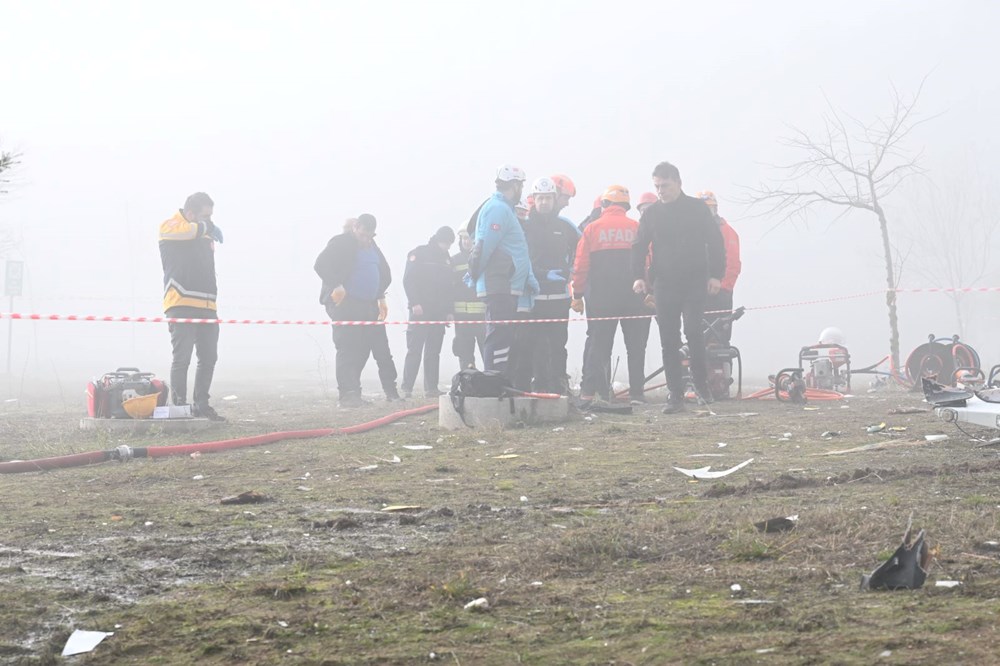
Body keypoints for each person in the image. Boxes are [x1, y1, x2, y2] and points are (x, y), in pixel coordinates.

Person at [632, 162, 725, 414]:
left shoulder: (697, 210)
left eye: (665, 185)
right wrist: (638, 276)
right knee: (668, 340)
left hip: (695, 281)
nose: (661, 191)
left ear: (678, 183)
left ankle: (702, 388)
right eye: (657, 186)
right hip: (664, 283)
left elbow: (715, 242)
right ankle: (675, 395)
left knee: (694, 333)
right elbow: (639, 246)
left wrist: (717, 275)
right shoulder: (651, 214)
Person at [572, 185, 651, 405]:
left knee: (598, 345)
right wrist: (650, 291)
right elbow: (648, 262)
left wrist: (577, 294)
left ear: (604, 205)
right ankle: (637, 394)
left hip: (601, 298)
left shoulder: (592, 229)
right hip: (634, 297)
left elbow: (580, 266)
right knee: (636, 346)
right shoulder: (637, 227)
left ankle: (589, 393)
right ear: (626, 206)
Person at [158, 192, 226, 421]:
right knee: (182, 358)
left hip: (207, 303)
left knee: (209, 357)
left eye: (211, 217)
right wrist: (205, 227)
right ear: (190, 213)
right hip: (181, 302)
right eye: (205, 216)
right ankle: (179, 407)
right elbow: (187, 231)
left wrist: (206, 227)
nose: (209, 220)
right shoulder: (171, 226)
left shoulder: (203, 230)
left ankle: (201, 405)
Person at [314, 214, 392, 408]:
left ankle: (354, 391)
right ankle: (347, 395)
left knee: (363, 348)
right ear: (356, 227)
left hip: (368, 306)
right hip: (345, 304)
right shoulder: (342, 243)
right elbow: (320, 264)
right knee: (347, 348)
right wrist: (336, 284)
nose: (366, 239)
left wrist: (380, 295)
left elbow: (384, 273)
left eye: (370, 236)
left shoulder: (372, 246)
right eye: (363, 234)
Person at [468, 165, 538, 377]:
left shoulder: (504, 208)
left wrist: (527, 277)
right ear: (515, 185)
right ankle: (493, 383)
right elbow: (484, 246)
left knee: (504, 337)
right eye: (521, 186)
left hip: (506, 284)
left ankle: (499, 382)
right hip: (499, 284)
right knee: (498, 337)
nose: (522, 190)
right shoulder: (498, 209)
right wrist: (475, 273)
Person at [512, 177, 580, 393]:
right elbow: (518, 258)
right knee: (532, 344)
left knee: (559, 344)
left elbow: (582, 248)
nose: (543, 203)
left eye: (547, 198)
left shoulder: (565, 226)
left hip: (560, 297)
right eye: (539, 198)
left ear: (554, 199)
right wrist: (541, 274)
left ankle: (560, 386)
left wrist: (573, 271)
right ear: (534, 199)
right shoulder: (524, 226)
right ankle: (536, 386)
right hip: (533, 296)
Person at [401, 226, 455, 398]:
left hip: (438, 313)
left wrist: (448, 311)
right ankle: (406, 388)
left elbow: (448, 287)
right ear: (438, 239)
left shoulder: (446, 259)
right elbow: (408, 280)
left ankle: (431, 388)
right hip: (420, 310)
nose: (447, 247)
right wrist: (415, 303)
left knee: (433, 352)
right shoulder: (419, 253)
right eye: (445, 243)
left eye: (449, 244)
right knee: (415, 350)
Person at [697, 191, 741, 346]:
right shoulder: (691, 233)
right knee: (695, 339)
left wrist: (722, 288)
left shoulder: (727, 232)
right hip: (696, 294)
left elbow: (733, 264)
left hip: (720, 295)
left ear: (715, 209)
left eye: (709, 209)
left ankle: (723, 368)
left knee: (721, 339)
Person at [450, 229, 486, 370]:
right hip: (462, 318)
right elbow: (449, 287)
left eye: (469, 238)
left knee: (487, 351)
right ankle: (467, 383)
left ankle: (492, 380)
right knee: (465, 355)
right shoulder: (454, 260)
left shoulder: (484, 258)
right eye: (463, 238)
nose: (466, 241)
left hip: (482, 316)